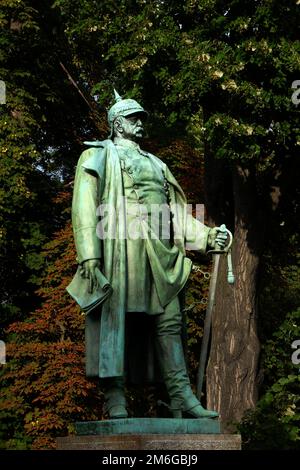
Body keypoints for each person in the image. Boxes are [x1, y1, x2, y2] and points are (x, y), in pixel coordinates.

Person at [69, 90, 227, 420]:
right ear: (116, 124)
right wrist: (89, 258)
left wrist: (209, 236)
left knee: (170, 322)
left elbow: (175, 215)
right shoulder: (97, 156)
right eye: (132, 118)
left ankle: (181, 395)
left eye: (141, 118)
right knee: (116, 323)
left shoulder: (157, 164)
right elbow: (83, 207)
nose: (140, 124)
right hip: (118, 250)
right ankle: (115, 397)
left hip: (160, 254)